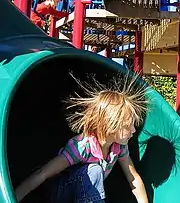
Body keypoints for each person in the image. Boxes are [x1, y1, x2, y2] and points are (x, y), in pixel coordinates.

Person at [15, 74, 149, 203]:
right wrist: (12, 198)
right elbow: (42, 173)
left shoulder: (119, 146)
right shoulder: (82, 146)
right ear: (110, 126)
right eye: (127, 126)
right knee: (94, 170)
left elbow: (133, 178)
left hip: (84, 196)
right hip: (57, 194)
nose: (133, 130)